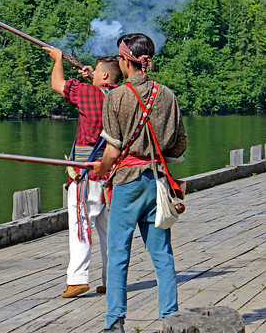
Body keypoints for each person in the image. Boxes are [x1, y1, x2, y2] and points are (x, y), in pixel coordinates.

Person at [86, 33, 187, 332]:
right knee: (162, 255)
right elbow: (179, 147)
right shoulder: (167, 95)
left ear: (126, 62)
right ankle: (170, 320)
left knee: (118, 254)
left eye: (119, 58)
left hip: (128, 183)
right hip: (157, 182)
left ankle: (115, 322)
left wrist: (101, 167)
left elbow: (113, 150)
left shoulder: (116, 96)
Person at [44, 46, 122, 299]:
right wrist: (92, 75)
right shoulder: (122, 95)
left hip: (86, 173)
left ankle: (78, 279)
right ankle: (112, 280)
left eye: (97, 71)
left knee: (80, 225)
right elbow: (101, 88)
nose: (93, 73)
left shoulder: (89, 93)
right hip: (113, 174)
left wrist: (58, 60)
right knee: (110, 230)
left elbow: (58, 84)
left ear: (106, 76)